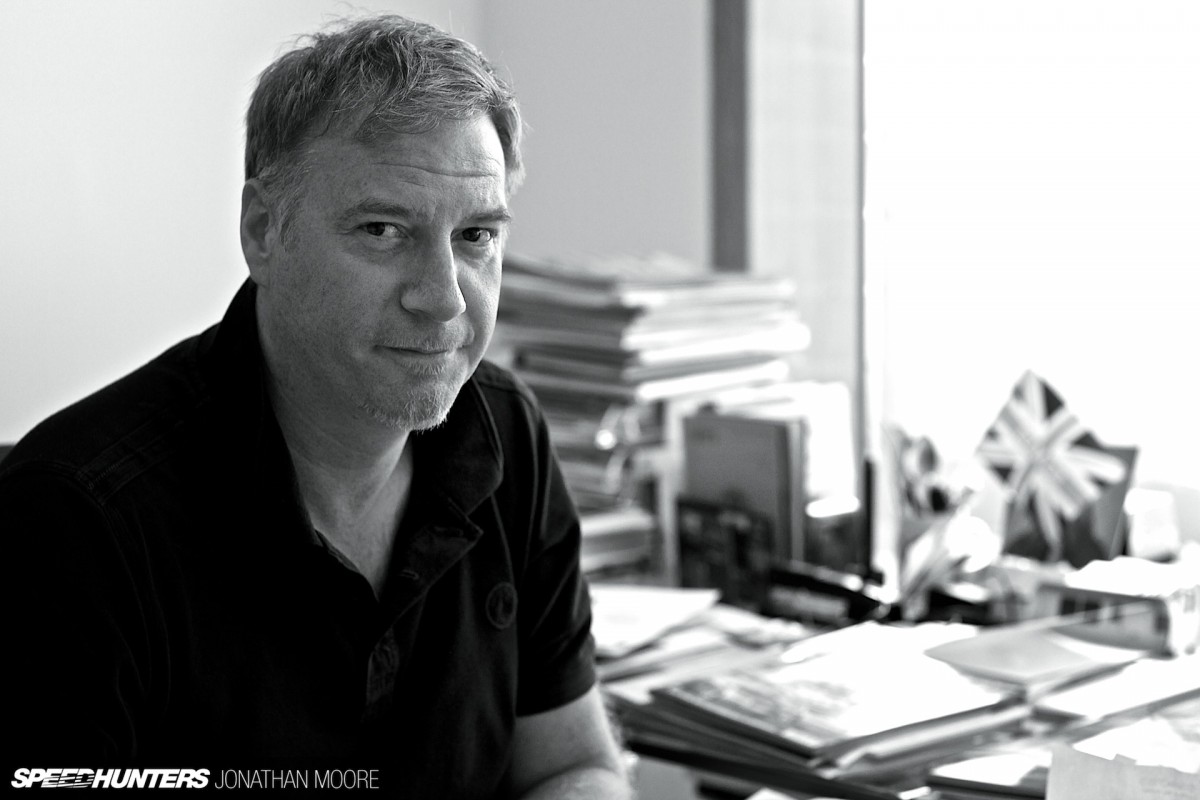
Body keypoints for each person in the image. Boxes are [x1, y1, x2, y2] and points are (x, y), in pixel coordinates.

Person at [1, 14, 629, 798]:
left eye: (475, 237)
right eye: (383, 229)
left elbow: (575, 765)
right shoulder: (75, 520)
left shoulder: (507, 436)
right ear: (264, 230)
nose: (442, 300)